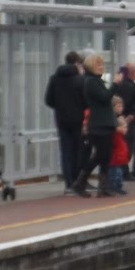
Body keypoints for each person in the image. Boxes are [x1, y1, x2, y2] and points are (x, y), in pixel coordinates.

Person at [72, 52, 116, 198]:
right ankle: (80, 182)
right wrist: (115, 85)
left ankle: (102, 188)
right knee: (99, 156)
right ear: (90, 65)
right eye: (98, 64)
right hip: (98, 125)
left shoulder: (97, 80)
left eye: (102, 64)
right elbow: (104, 98)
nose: (101, 67)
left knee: (105, 156)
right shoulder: (91, 82)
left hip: (104, 124)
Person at [44, 51, 85, 194]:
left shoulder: (54, 78)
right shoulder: (80, 80)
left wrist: (60, 107)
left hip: (61, 120)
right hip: (78, 120)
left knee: (66, 152)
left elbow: (48, 100)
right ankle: (77, 180)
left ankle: (69, 184)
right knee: (78, 150)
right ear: (77, 63)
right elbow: (86, 101)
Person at [113, 63, 135, 181]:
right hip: (131, 121)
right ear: (131, 72)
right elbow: (125, 102)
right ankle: (125, 172)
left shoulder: (130, 84)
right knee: (129, 147)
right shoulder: (127, 86)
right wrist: (129, 115)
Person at [107, 96, 130, 196]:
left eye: (122, 106)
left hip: (119, 149)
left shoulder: (119, 119)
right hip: (116, 150)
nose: (121, 108)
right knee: (115, 171)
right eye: (119, 106)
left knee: (118, 171)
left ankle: (117, 187)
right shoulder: (113, 120)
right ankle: (113, 187)